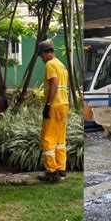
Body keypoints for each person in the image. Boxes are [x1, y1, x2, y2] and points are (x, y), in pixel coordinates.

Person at [36, 41, 69, 183]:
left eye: (41, 56)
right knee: (60, 139)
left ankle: (52, 172)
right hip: (63, 105)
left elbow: (54, 84)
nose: (42, 59)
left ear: (44, 53)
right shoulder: (61, 64)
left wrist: (48, 105)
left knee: (47, 139)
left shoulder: (50, 64)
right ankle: (61, 169)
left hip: (54, 106)